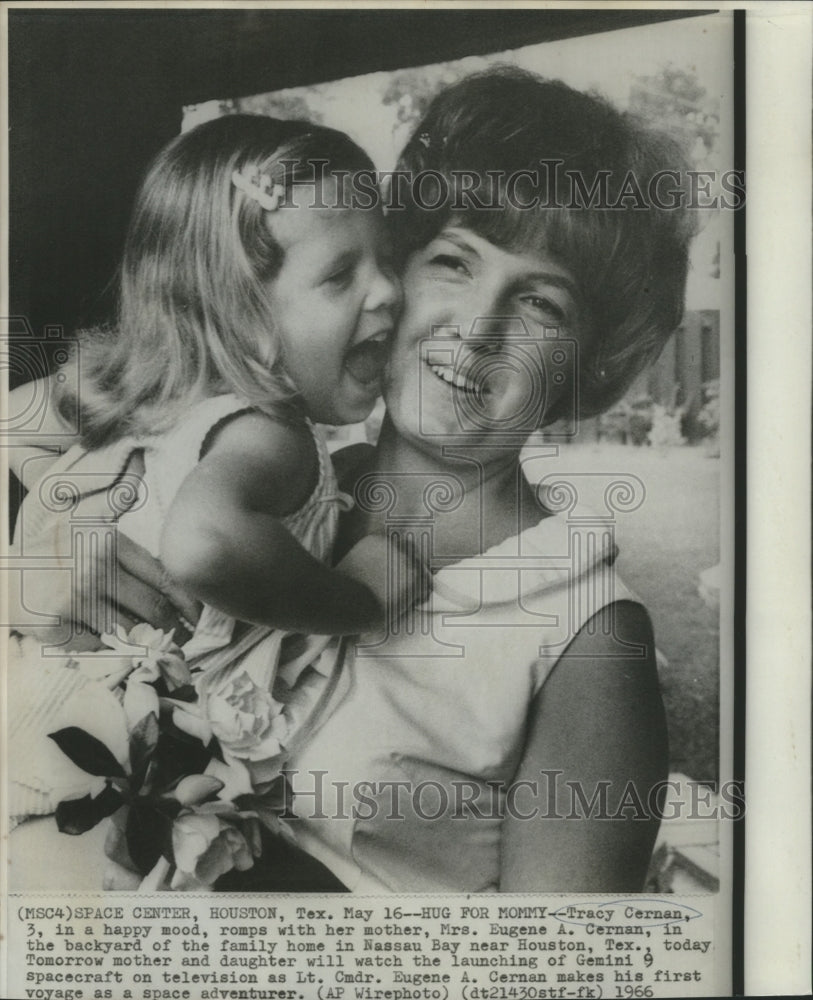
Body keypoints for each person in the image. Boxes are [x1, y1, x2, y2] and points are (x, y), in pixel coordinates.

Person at [8, 68, 694, 892]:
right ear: (392, 272)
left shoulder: (585, 635)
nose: (476, 331)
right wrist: (42, 594)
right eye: (452, 262)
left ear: (590, 362)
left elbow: (552, 972)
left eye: (541, 306)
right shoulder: (276, 488)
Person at [6, 113, 424, 834]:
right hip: (96, 784)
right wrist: (361, 598)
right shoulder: (270, 435)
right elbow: (205, 545)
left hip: (43, 746)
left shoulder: (164, 408)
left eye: (386, 259)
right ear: (244, 318)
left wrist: (55, 488)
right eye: (338, 275)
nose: (386, 291)